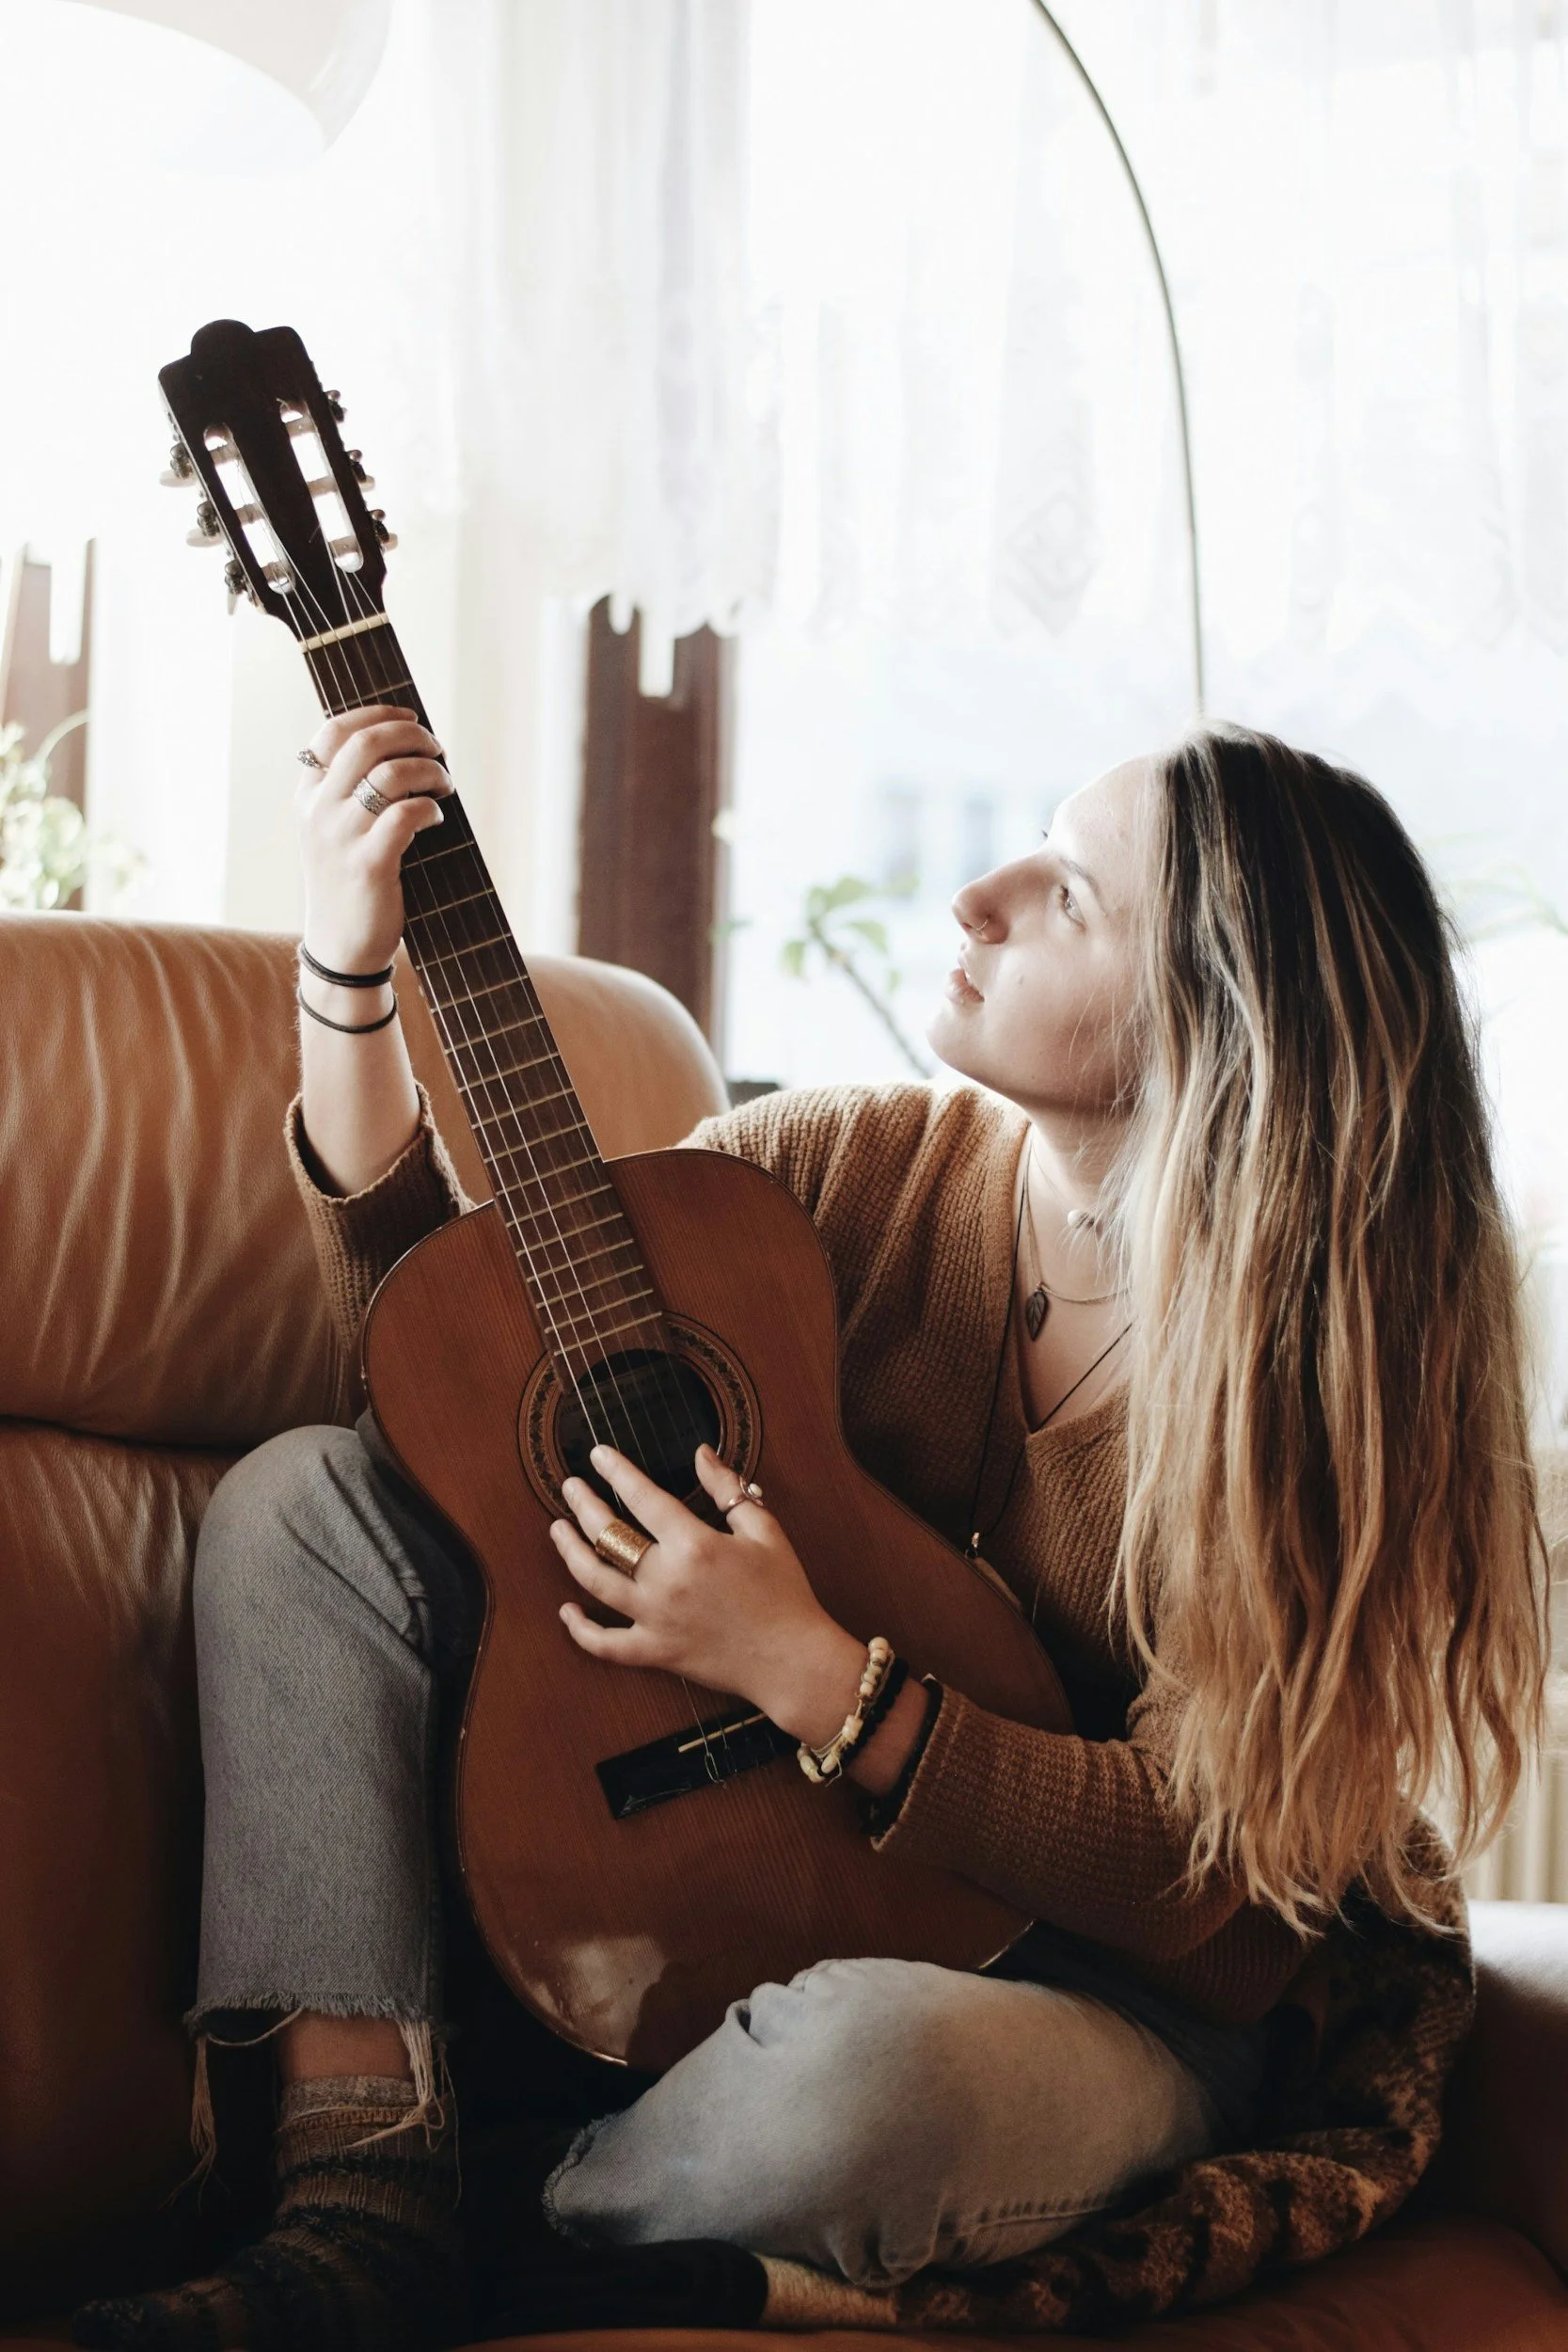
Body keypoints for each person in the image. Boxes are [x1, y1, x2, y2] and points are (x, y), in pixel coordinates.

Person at [75, 714, 1547, 2352]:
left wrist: (818, 1679)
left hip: (1091, 2003)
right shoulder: (845, 1172)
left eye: (1067, 893)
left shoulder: (1319, 1393)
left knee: (864, 2079)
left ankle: (506, 2223)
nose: (976, 898)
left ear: (1221, 1014)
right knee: (306, 1500)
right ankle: (355, 2197)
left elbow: (1207, 1873)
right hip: (735, 1906)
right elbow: (469, 1367)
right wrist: (348, 986)